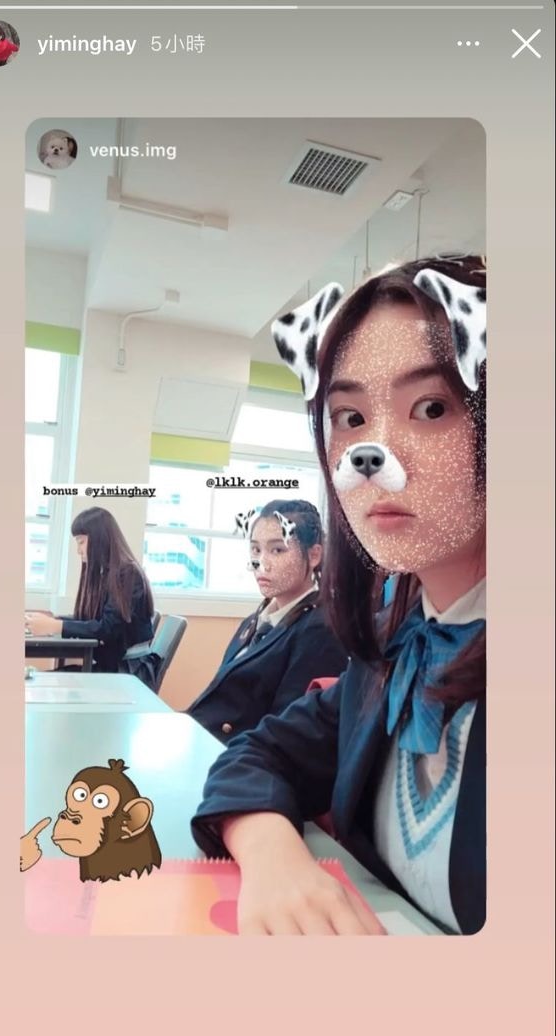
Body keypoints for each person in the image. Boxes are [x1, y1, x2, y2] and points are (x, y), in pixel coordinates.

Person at [191, 255, 487, 935]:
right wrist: (273, 855)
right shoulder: (390, 651)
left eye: (432, 407)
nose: (372, 453)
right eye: (349, 417)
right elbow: (258, 753)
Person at [187, 499, 348, 741]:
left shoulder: (319, 629)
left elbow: (287, 732)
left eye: (278, 550)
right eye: (256, 550)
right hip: (204, 737)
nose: (262, 563)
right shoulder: (256, 620)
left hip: (238, 755)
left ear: (314, 555)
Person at [25, 507, 154, 673]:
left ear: (99, 539)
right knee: (42, 679)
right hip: (115, 666)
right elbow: (92, 620)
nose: (78, 550)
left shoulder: (128, 574)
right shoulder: (109, 574)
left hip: (128, 671)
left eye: (81, 542)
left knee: (42, 681)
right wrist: (52, 621)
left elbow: (107, 628)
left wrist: (56, 626)